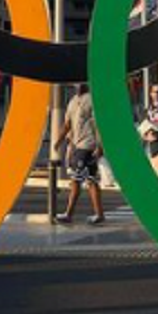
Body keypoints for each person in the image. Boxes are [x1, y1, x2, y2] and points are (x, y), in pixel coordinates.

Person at [53, 83, 105, 225]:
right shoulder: (72, 101)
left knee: (76, 180)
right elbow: (67, 124)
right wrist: (58, 141)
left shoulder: (92, 99)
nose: (78, 85)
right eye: (76, 83)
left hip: (87, 145)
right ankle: (99, 214)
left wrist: (100, 146)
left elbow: (99, 124)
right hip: (78, 146)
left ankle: (69, 214)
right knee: (91, 180)